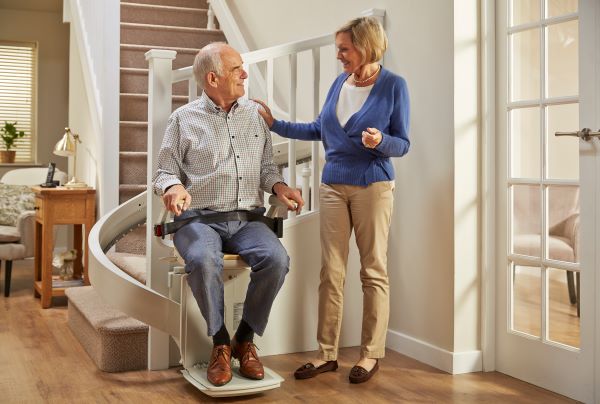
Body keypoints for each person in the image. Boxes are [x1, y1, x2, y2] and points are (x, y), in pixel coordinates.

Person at [255, 16, 409, 384]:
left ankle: (371, 355)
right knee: (331, 272)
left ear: (366, 46)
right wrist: (276, 123)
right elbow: (317, 128)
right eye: (338, 48)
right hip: (332, 185)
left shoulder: (393, 86)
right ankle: (327, 354)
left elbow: (403, 143)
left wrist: (380, 143)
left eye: (344, 48)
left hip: (373, 186)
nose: (338, 56)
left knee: (373, 271)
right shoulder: (340, 82)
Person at [152, 42, 304, 387]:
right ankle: (220, 343)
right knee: (205, 260)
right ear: (213, 77)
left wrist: (280, 188)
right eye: (237, 69)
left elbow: (266, 168)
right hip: (198, 219)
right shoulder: (183, 119)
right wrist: (174, 188)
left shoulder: (254, 114)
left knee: (276, 259)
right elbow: (164, 172)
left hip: (247, 219)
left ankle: (244, 340)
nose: (245, 74)